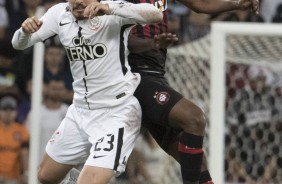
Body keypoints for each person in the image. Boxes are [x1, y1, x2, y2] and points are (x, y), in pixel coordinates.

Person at [12, 1, 162, 184]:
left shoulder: (110, 8)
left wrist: (110, 9)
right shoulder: (59, 14)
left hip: (116, 112)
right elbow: (18, 44)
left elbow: (156, 14)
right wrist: (24, 32)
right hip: (80, 111)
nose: (80, 2)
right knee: (45, 176)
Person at [125, 0, 259, 183]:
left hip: (155, 75)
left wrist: (236, 4)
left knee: (194, 160)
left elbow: (200, 4)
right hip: (132, 75)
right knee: (195, 119)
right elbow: (116, 38)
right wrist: (152, 43)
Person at [0, 95, 29, 184]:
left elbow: (24, 153)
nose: (8, 113)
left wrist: (26, 173)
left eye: (11, 109)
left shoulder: (21, 130)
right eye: (5, 109)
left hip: (14, 178)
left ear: (16, 112)